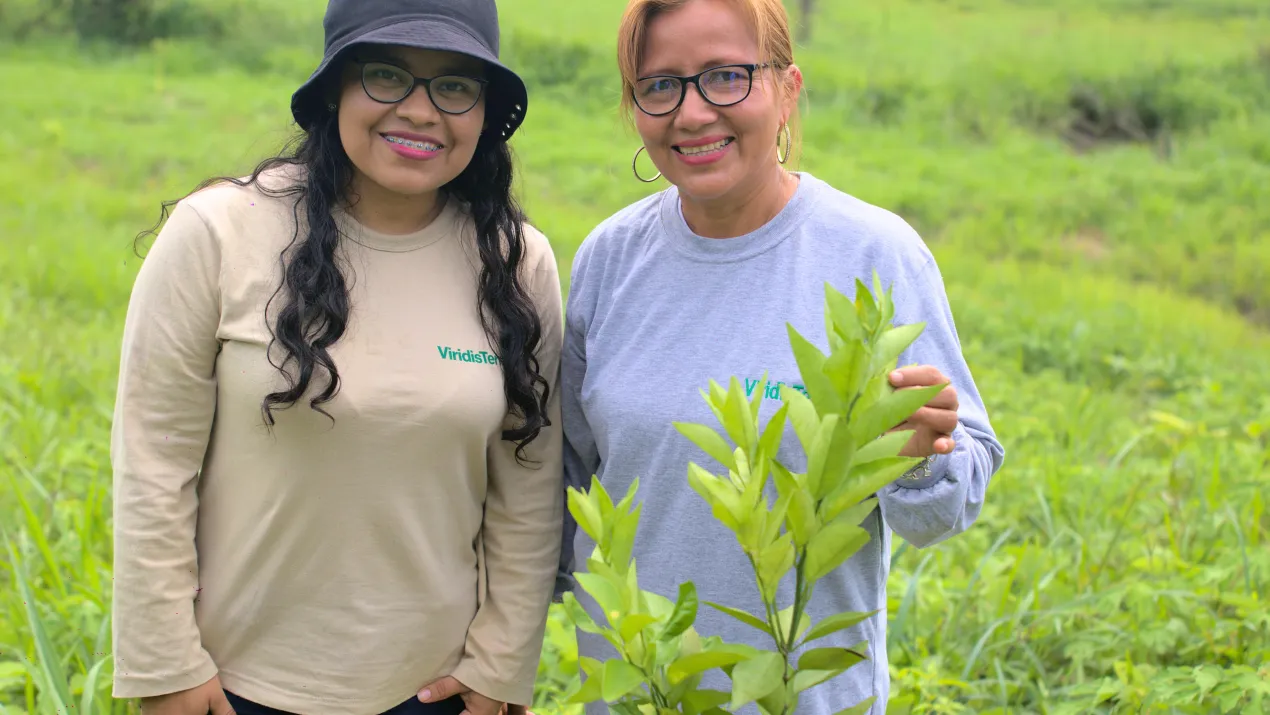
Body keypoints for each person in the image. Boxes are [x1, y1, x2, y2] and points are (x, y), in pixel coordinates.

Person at [109, 1, 562, 714]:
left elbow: (527, 487)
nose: (420, 111)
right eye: (386, 75)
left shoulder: (515, 263)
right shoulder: (219, 234)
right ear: (334, 88)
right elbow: (153, 460)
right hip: (231, 688)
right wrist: (164, 664)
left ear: (483, 110)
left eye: (454, 85)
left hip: (436, 690)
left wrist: (502, 664)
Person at [556, 0, 1006, 712]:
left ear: (787, 89)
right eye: (660, 85)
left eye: (726, 76)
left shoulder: (872, 255)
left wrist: (920, 455)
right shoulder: (609, 259)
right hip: (639, 689)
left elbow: (944, 507)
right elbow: (567, 484)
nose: (693, 112)